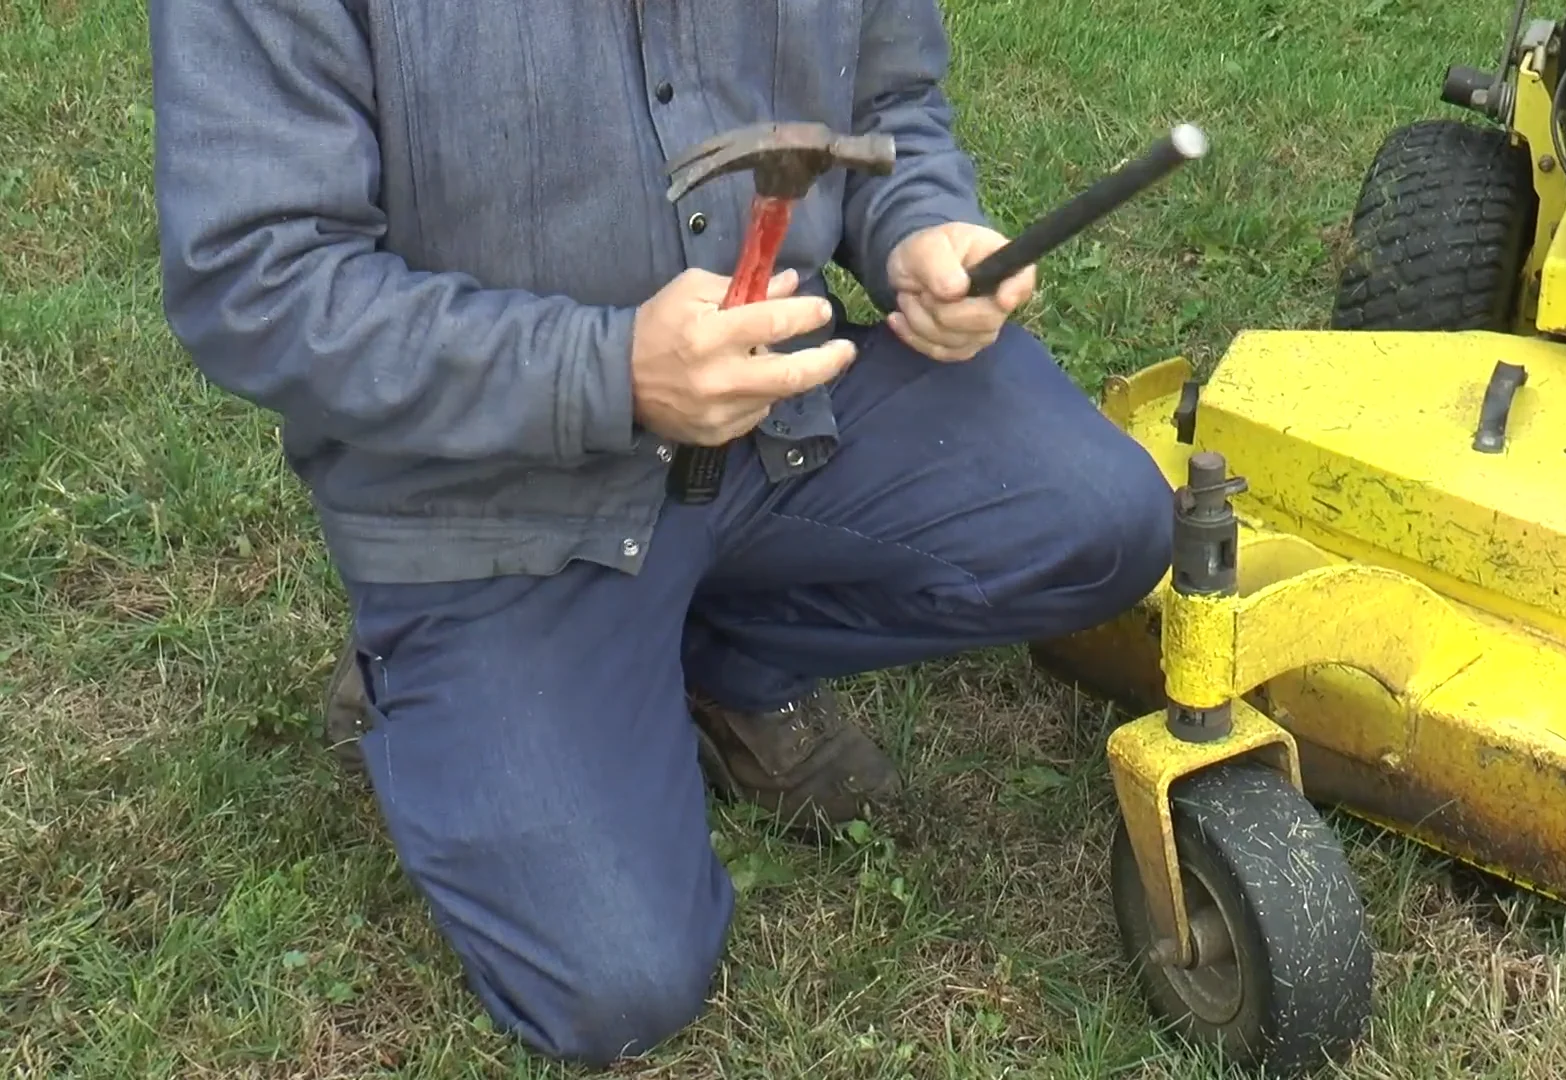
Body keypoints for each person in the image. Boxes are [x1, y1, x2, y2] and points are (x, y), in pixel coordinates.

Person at [149, 0, 1173, 1066]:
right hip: (495, 514)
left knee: (1101, 518)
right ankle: (420, 678)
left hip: (777, 425)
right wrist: (609, 371)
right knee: (618, 983)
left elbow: (888, 107)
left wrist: (918, 223)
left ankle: (716, 661)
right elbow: (254, 279)